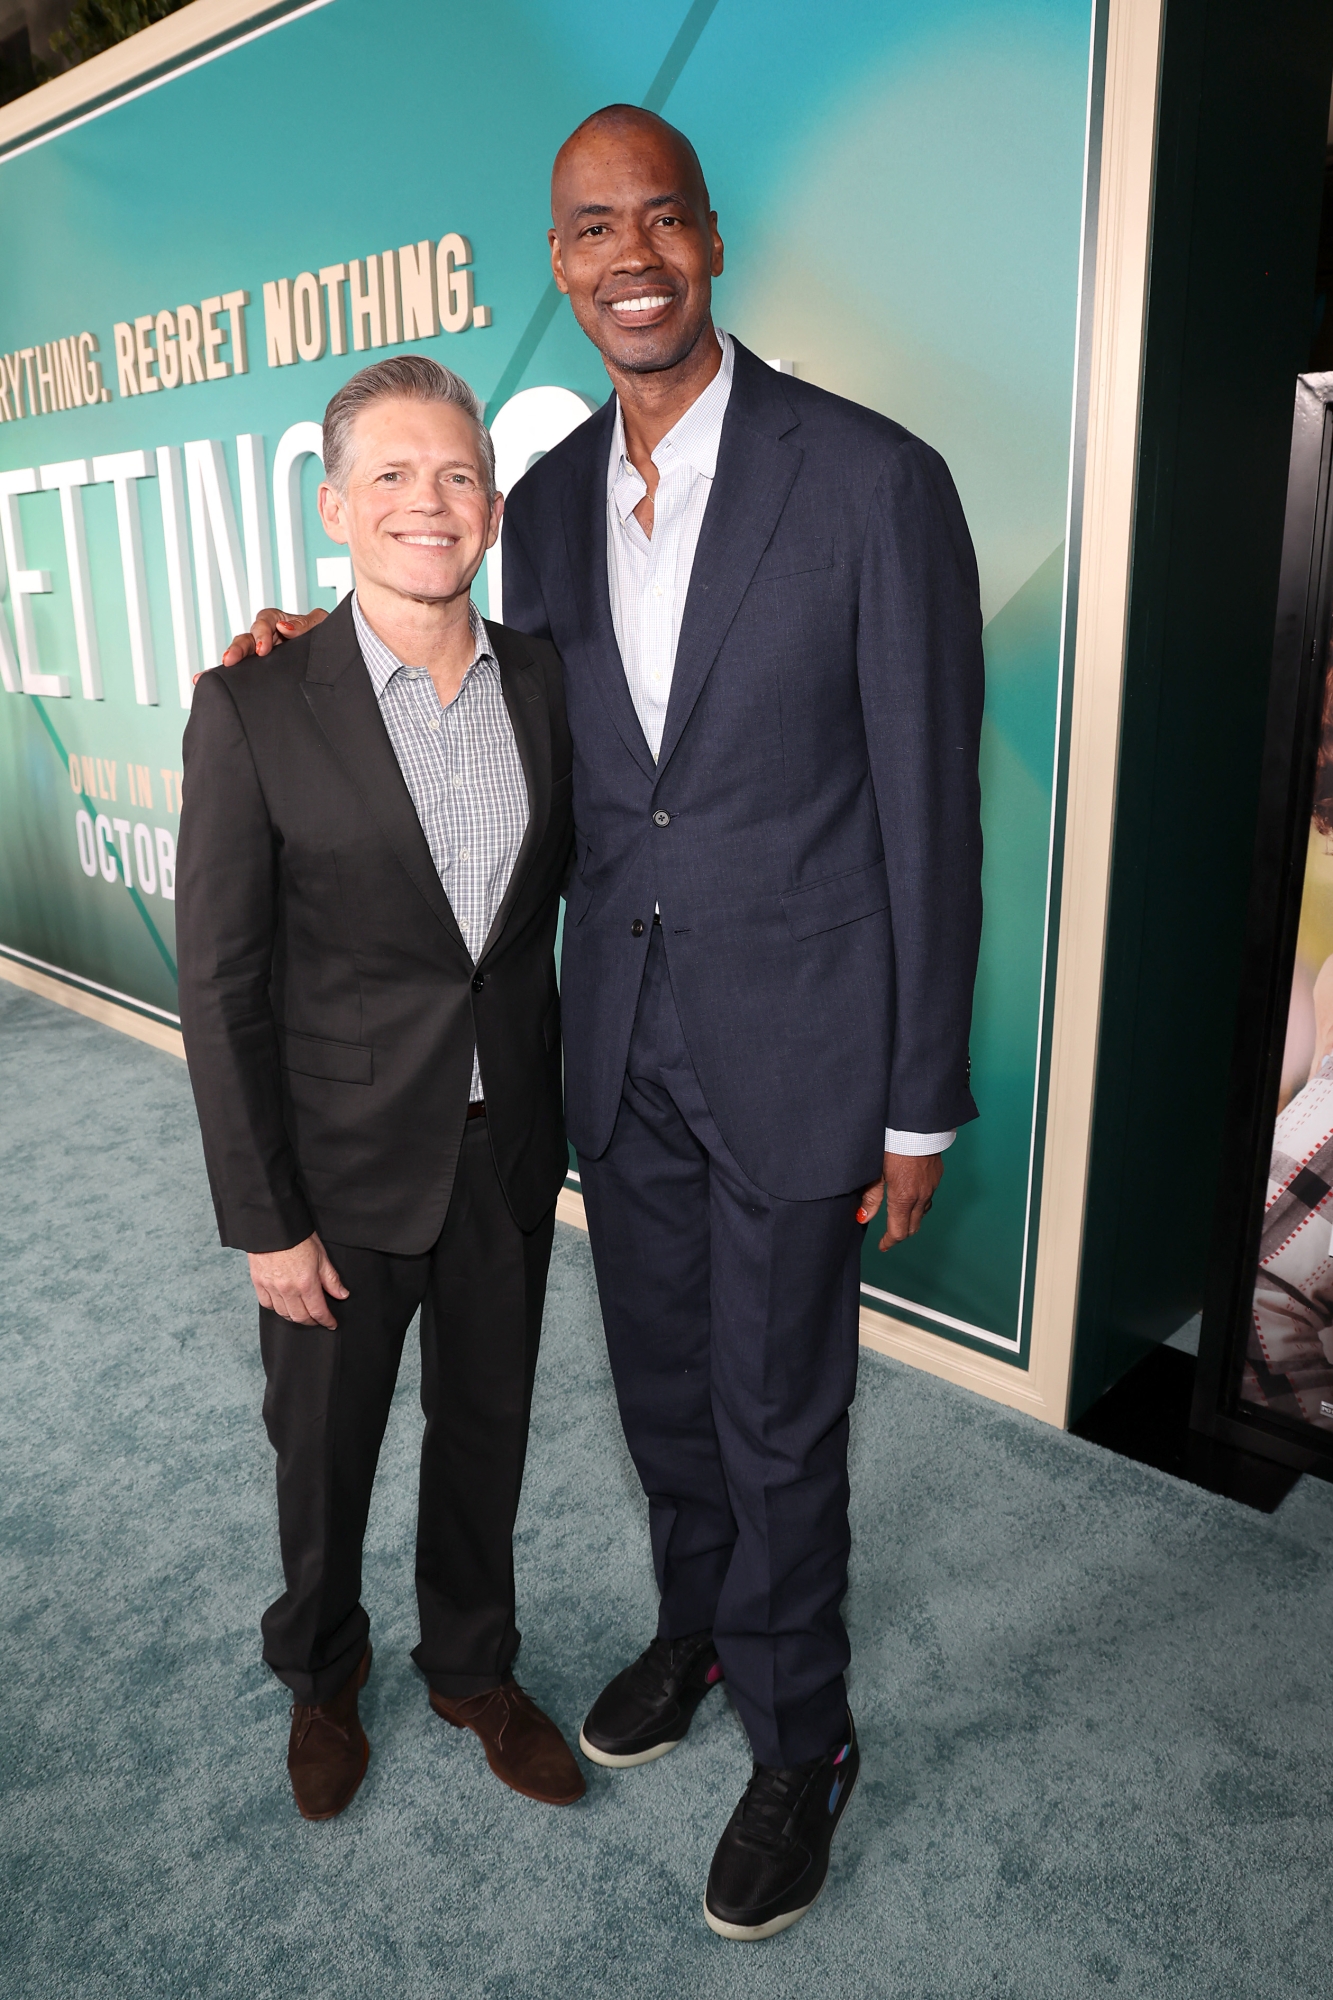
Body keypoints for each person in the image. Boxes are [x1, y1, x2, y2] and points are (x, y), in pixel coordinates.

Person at [226, 107, 984, 1938]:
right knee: (663, 1404)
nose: (627, 255)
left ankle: (806, 1738)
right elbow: (453, 688)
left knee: (780, 1413)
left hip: (807, 1053)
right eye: (588, 229)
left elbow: (929, 810)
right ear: (556, 264)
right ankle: (703, 1637)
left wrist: (919, 1103)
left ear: (707, 240)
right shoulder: (542, 504)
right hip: (611, 1055)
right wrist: (284, 647)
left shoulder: (872, 478)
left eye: (658, 220)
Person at [178, 356, 583, 1823]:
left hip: (502, 1153)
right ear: (338, 507)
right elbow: (220, 986)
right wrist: (263, 1219)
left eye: (458, 475)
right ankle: (320, 1670)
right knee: (324, 1454)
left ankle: (472, 1665)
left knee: (487, 1428)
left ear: (488, 507)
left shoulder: (546, 683)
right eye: (396, 477)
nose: (432, 500)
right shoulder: (251, 705)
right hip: (337, 1175)